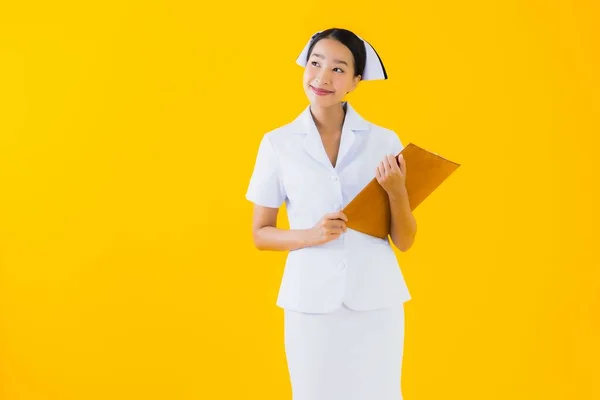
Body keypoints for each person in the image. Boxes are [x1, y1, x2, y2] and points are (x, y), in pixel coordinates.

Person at [245, 28, 417, 400]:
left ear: (356, 81)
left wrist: (398, 192)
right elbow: (261, 233)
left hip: (376, 301)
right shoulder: (278, 143)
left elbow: (404, 241)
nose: (323, 77)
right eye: (315, 63)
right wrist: (310, 235)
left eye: (339, 69)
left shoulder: (383, 140)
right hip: (310, 302)